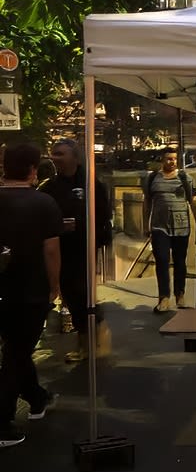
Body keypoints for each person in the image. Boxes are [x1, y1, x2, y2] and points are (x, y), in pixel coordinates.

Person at [0, 142, 62, 447]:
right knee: (16, 353)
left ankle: (37, 398)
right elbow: (51, 250)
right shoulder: (44, 203)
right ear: (33, 169)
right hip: (30, 290)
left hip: (2, 290)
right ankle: (2, 420)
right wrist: (55, 287)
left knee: (15, 349)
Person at [41, 138, 112, 362]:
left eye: (60, 153)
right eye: (53, 153)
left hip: (86, 247)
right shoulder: (50, 186)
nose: (54, 157)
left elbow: (103, 214)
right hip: (62, 249)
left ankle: (92, 341)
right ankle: (87, 339)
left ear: (74, 157)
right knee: (71, 295)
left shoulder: (91, 183)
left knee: (82, 293)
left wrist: (80, 226)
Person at [143, 146, 196, 313]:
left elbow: (193, 201)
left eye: (174, 159)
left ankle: (180, 295)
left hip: (181, 227)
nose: (172, 162)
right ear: (162, 160)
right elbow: (147, 203)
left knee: (180, 262)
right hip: (160, 227)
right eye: (168, 159)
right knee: (162, 261)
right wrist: (146, 225)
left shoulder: (184, 178)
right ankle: (164, 297)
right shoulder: (153, 178)